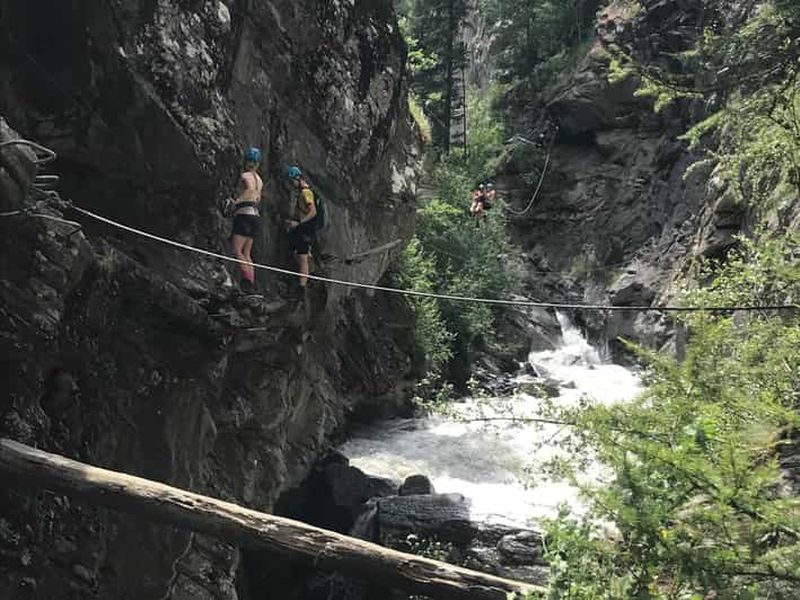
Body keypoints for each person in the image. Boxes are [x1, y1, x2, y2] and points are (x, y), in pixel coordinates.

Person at [229, 147, 263, 293]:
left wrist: (235, 202)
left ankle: (247, 282)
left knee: (237, 249)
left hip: (244, 214)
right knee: (247, 253)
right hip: (255, 215)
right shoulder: (259, 180)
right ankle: (251, 284)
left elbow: (249, 191)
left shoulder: (245, 176)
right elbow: (258, 197)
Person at [284, 165, 318, 297]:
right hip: (302, 229)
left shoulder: (306, 193)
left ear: (297, 179)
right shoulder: (303, 193)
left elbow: (312, 211)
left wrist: (298, 223)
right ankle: (304, 277)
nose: (291, 185)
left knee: (302, 258)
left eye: (291, 181)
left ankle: (302, 287)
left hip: (305, 229)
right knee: (296, 254)